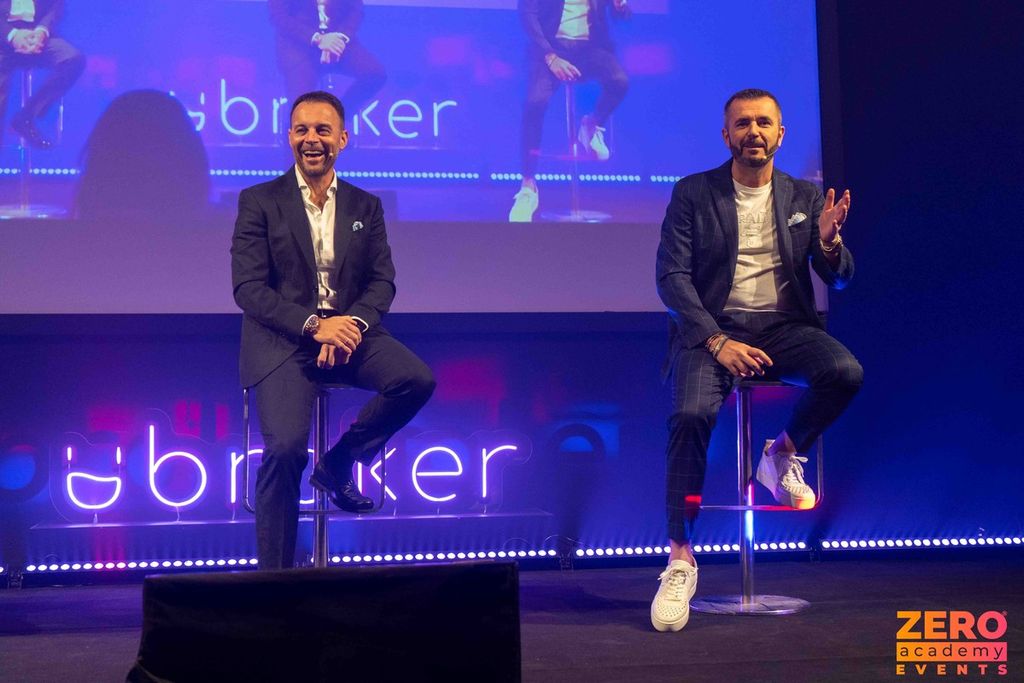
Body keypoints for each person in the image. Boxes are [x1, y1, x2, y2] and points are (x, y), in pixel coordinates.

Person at [651, 88, 862, 631]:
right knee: (691, 415)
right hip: (713, 332)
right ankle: (680, 559)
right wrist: (715, 340)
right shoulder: (693, 192)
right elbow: (671, 278)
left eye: (764, 123)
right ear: (726, 134)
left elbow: (839, 278)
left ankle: (780, 455)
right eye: (743, 123)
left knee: (844, 373)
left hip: (784, 328)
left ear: (780, 134)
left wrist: (829, 244)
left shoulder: (804, 196)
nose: (754, 132)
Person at [231, 90, 435, 570]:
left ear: (342, 139)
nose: (312, 139)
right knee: (284, 449)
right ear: (289, 137)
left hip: (349, 333)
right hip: (283, 340)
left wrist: (349, 328)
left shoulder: (367, 205)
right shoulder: (259, 201)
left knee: (416, 379)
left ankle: (338, 462)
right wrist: (314, 327)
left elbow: (382, 282)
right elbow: (248, 289)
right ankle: (275, 582)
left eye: (323, 130)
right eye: (302, 130)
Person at [509, 0, 630, 222]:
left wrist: (620, 5)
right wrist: (550, 56)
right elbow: (527, 14)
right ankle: (528, 187)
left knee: (619, 82)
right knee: (535, 103)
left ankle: (592, 125)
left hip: (589, 49)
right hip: (549, 49)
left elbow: (621, 16)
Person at [268, 0, 386, 117]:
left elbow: (356, 11)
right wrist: (318, 39)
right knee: (301, 106)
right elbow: (280, 16)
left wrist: (341, 37)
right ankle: (298, 126)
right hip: (298, 45)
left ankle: (337, 117)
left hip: (337, 39)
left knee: (375, 74)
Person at [0, 0, 85, 149]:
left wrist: (42, 30)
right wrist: (12, 35)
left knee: (72, 59)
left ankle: (26, 117)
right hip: (3, 38)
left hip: (36, 35)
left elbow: (55, 4)